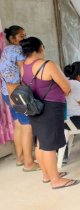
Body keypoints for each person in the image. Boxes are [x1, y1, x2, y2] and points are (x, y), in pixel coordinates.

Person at [20, 37, 80, 189]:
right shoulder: (47, 65)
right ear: (40, 48)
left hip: (34, 107)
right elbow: (66, 87)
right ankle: (56, 180)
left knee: (41, 142)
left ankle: (47, 175)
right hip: (51, 108)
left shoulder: (23, 66)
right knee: (49, 146)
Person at [0, 25, 40, 171]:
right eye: (21, 36)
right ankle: (29, 163)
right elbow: (26, 71)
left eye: (25, 35)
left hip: (6, 92)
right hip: (17, 93)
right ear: (12, 38)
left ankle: (20, 158)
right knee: (27, 126)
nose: (25, 38)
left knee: (18, 125)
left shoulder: (6, 50)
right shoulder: (17, 50)